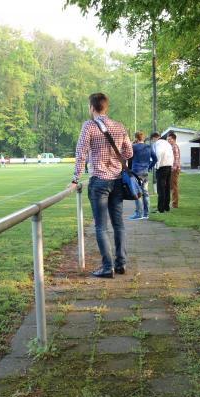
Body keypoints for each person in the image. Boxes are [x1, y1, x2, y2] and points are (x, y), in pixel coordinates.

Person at [67, 92, 133, 278]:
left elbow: (80, 153)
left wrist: (75, 179)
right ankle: (121, 264)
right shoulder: (119, 126)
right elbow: (128, 152)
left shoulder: (88, 126)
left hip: (99, 181)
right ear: (106, 107)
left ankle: (107, 267)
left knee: (101, 226)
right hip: (117, 181)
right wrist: (115, 160)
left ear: (91, 108)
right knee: (118, 224)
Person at [129, 131, 157, 220]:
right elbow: (155, 159)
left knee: (137, 193)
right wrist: (149, 167)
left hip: (136, 172)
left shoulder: (134, 147)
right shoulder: (149, 147)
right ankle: (146, 213)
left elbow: (127, 156)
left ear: (136, 138)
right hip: (145, 172)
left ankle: (138, 214)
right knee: (145, 193)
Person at [151, 132, 173, 213]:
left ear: (154, 138)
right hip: (169, 166)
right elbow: (171, 155)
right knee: (167, 188)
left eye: (152, 140)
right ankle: (166, 207)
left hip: (161, 167)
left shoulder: (158, 143)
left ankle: (160, 209)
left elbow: (158, 155)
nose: (153, 142)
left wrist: (157, 166)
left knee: (161, 189)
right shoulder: (167, 143)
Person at [166, 132, 181, 208]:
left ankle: (175, 204)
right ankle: (172, 203)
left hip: (174, 170)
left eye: (169, 139)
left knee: (173, 187)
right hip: (172, 169)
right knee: (171, 186)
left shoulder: (174, 146)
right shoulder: (171, 146)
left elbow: (176, 159)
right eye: (167, 139)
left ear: (174, 139)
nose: (168, 141)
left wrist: (173, 169)